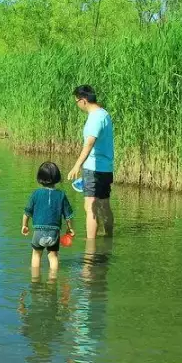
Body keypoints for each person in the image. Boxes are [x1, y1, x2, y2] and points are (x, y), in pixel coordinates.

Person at [67, 85, 115, 238]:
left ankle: (90, 247)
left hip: (93, 169)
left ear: (83, 100)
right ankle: (109, 238)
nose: (78, 105)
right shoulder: (104, 114)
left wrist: (76, 166)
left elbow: (89, 143)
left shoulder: (95, 118)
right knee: (104, 205)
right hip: (106, 168)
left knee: (91, 207)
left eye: (77, 102)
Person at [21, 162, 75, 273]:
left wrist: (24, 225)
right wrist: (70, 228)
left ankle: (35, 278)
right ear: (57, 177)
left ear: (40, 178)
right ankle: (53, 279)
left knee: (36, 254)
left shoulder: (36, 194)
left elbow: (27, 213)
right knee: (53, 256)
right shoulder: (61, 195)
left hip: (39, 232)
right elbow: (68, 216)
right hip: (54, 233)